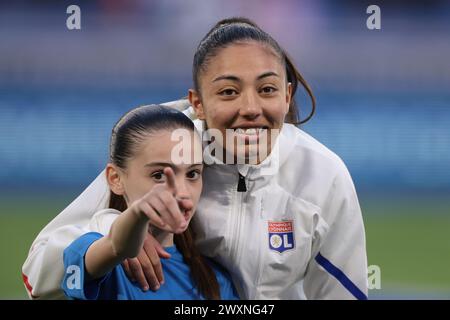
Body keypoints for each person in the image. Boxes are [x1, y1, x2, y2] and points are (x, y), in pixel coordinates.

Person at [22, 17, 368, 300]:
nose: (250, 109)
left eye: (267, 89)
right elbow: (39, 272)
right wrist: (116, 232)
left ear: (286, 94)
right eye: (228, 91)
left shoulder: (323, 175)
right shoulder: (165, 144)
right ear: (198, 103)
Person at [61, 104, 238, 300]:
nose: (181, 192)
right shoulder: (94, 253)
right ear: (115, 179)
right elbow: (115, 245)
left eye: (193, 173)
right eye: (159, 175)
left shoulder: (217, 281)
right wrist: (138, 214)